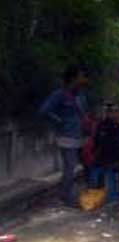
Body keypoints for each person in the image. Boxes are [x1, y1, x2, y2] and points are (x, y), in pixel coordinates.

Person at [38, 65, 89, 206]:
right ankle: (67, 198)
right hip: (66, 137)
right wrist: (59, 121)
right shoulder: (59, 95)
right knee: (70, 167)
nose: (83, 79)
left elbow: (83, 113)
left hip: (79, 136)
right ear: (73, 78)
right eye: (81, 76)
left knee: (80, 166)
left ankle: (71, 195)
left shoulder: (80, 95)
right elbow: (44, 111)